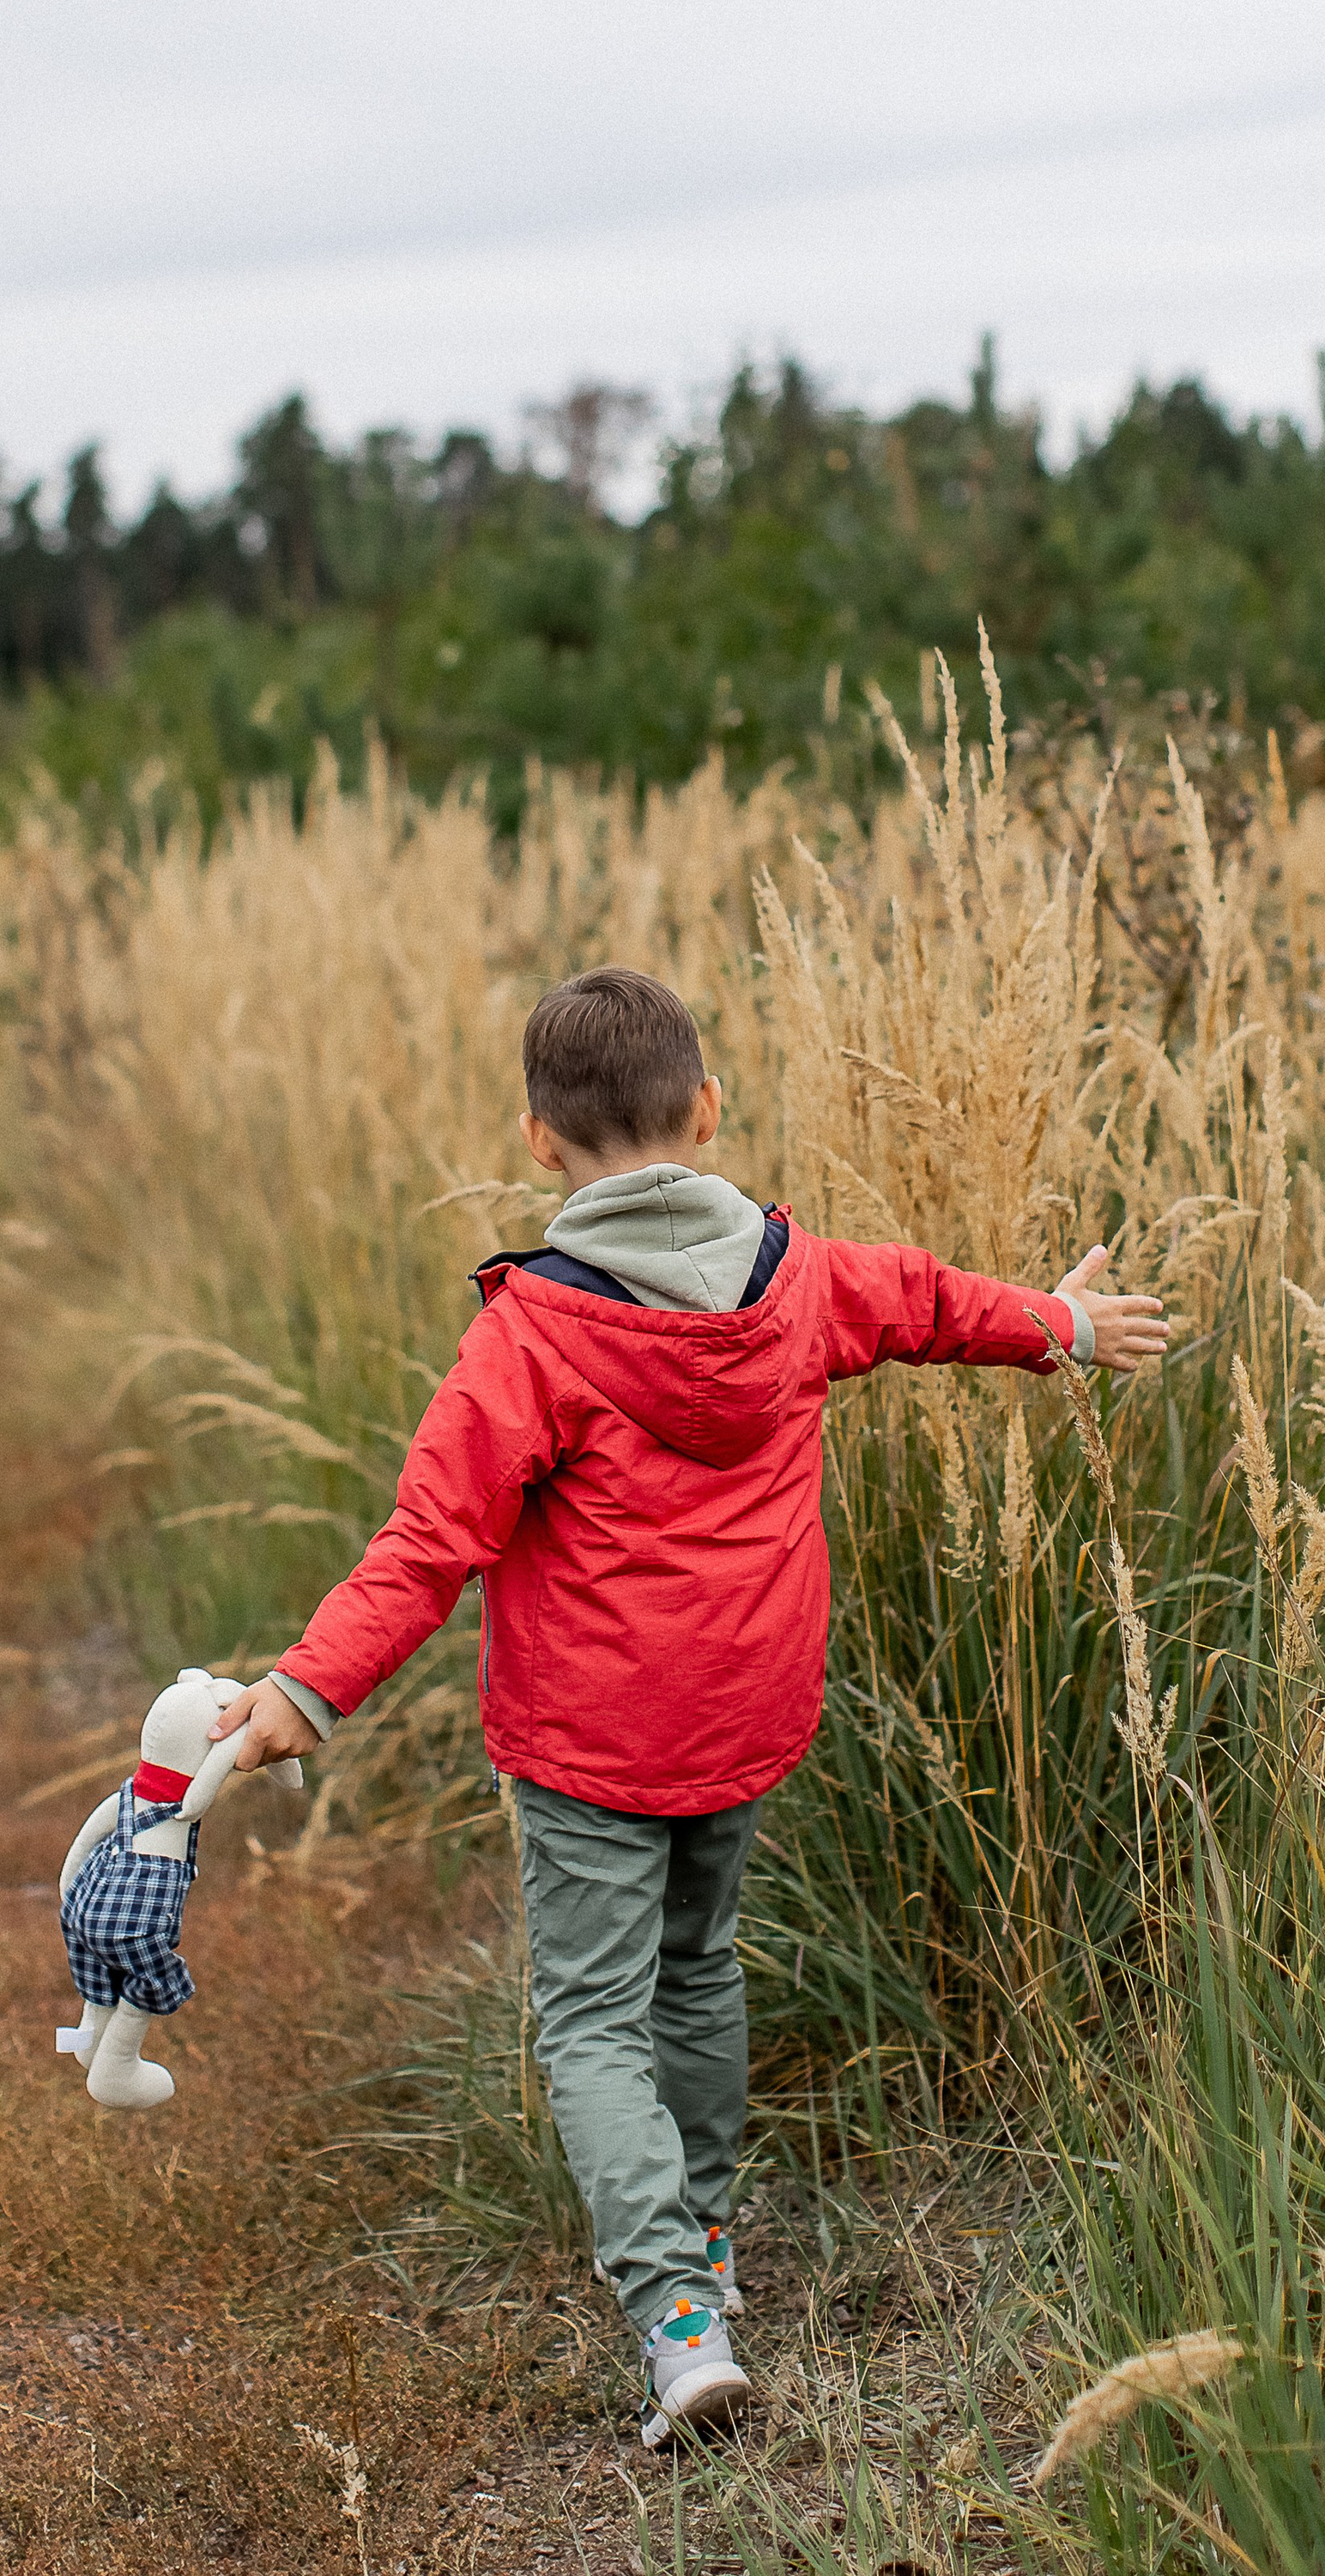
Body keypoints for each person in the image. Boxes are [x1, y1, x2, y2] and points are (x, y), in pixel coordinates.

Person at [209, 965, 1166, 2446]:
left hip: (593, 1739)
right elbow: (923, 1300)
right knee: (699, 1966)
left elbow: (428, 1546)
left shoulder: (528, 1339)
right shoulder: (800, 1281)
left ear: (539, 1142)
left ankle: (674, 2315)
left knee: (593, 2019)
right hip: (744, 1711)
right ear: (707, 1110)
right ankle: (706, 2244)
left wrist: (301, 1693)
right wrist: (1063, 1324)